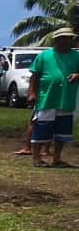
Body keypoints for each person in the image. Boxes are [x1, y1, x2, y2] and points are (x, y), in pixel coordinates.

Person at [27, 27, 79, 167]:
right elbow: (35, 76)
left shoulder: (76, 56)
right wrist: (32, 93)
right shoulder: (44, 56)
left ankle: (56, 158)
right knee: (42, 128)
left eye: (71, 38)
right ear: (60, 39)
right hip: (47, 98)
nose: (71, 41)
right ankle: (37, 158)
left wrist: (77, 75)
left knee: (62, 132)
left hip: (66, 98)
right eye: (68, 38)